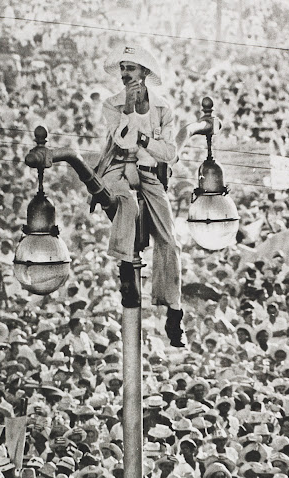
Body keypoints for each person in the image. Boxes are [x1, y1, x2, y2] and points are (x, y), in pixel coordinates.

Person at [97, 43, 184, 347]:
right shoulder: (111, 103)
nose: (125, 74)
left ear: (144, 72)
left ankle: (173, 308)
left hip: (149, 175)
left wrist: (145, 137)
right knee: (128, 204)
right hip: (118, 170)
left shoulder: (162, 108)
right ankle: (124, 267)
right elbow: (121, 142)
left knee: (170, 241)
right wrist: (130, 112)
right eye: (122, 68)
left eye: (130, 68)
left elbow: (169, 153)